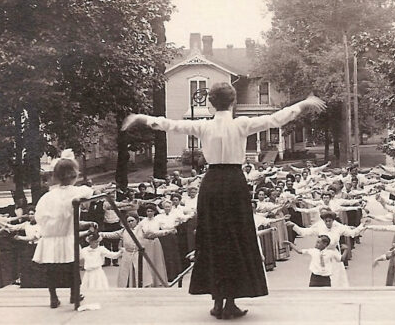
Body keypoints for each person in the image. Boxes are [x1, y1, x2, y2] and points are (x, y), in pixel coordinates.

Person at [122, 83, 326, 319]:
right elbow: (276, 119)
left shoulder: (203, 126)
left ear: (210, 103)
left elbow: (170, 124)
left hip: (212, 184)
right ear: (234, 102)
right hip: (234, 184)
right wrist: (303, 103)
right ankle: (230, 301)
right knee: (235, 238)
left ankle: (218, 301)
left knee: (212, 238)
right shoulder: (241, 124)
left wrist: (140, 117)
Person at [32, 149, 97, 309]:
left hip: (50, 237)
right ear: (74, 176)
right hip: (67, 236)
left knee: (51, 268)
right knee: (73, 266)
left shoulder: (48, 196)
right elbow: (89, 191)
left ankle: (53, 297)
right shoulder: (75, 192)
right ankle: (74, 293)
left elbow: (39, 217)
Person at [79, 233, 124, 309]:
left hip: (98, 273)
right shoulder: (84, 250)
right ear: (90, 241)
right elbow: (79, 259)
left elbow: (112, 255)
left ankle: (101, 304)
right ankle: (89, 303)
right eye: (95, 242)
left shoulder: (101, 249)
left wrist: (120, 252)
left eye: (98, 242)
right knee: (88, 290)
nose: (97, 243)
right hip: (88, 273)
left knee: (100, 289)